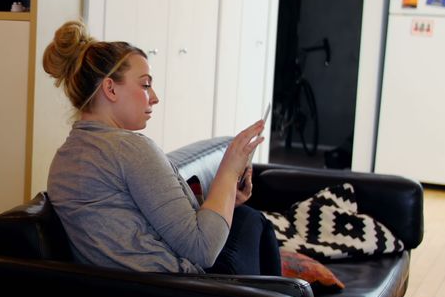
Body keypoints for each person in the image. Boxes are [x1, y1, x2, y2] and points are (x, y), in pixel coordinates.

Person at [43, 20, 281, 276]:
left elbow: (140, 226)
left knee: (243, 217)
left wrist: (224, 200)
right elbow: (202, 249)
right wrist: (228, 171)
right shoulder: (129, 149)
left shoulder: (64, 157)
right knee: (252, 221)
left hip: (123, 294)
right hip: (174, 295)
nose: (154, 97)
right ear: (110, 88)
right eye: (145, 85)